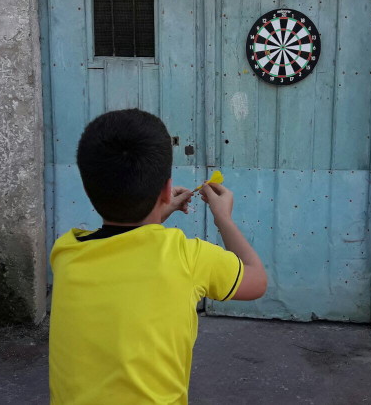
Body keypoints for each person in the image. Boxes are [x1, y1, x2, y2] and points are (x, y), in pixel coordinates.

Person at [49, 109, 268, 404]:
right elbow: (257, 280)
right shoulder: (190, 258)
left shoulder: (66, 251)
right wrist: (223, 218)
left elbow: (128, 242)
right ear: (167, 189)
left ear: (88, 188)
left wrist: (157, 211)